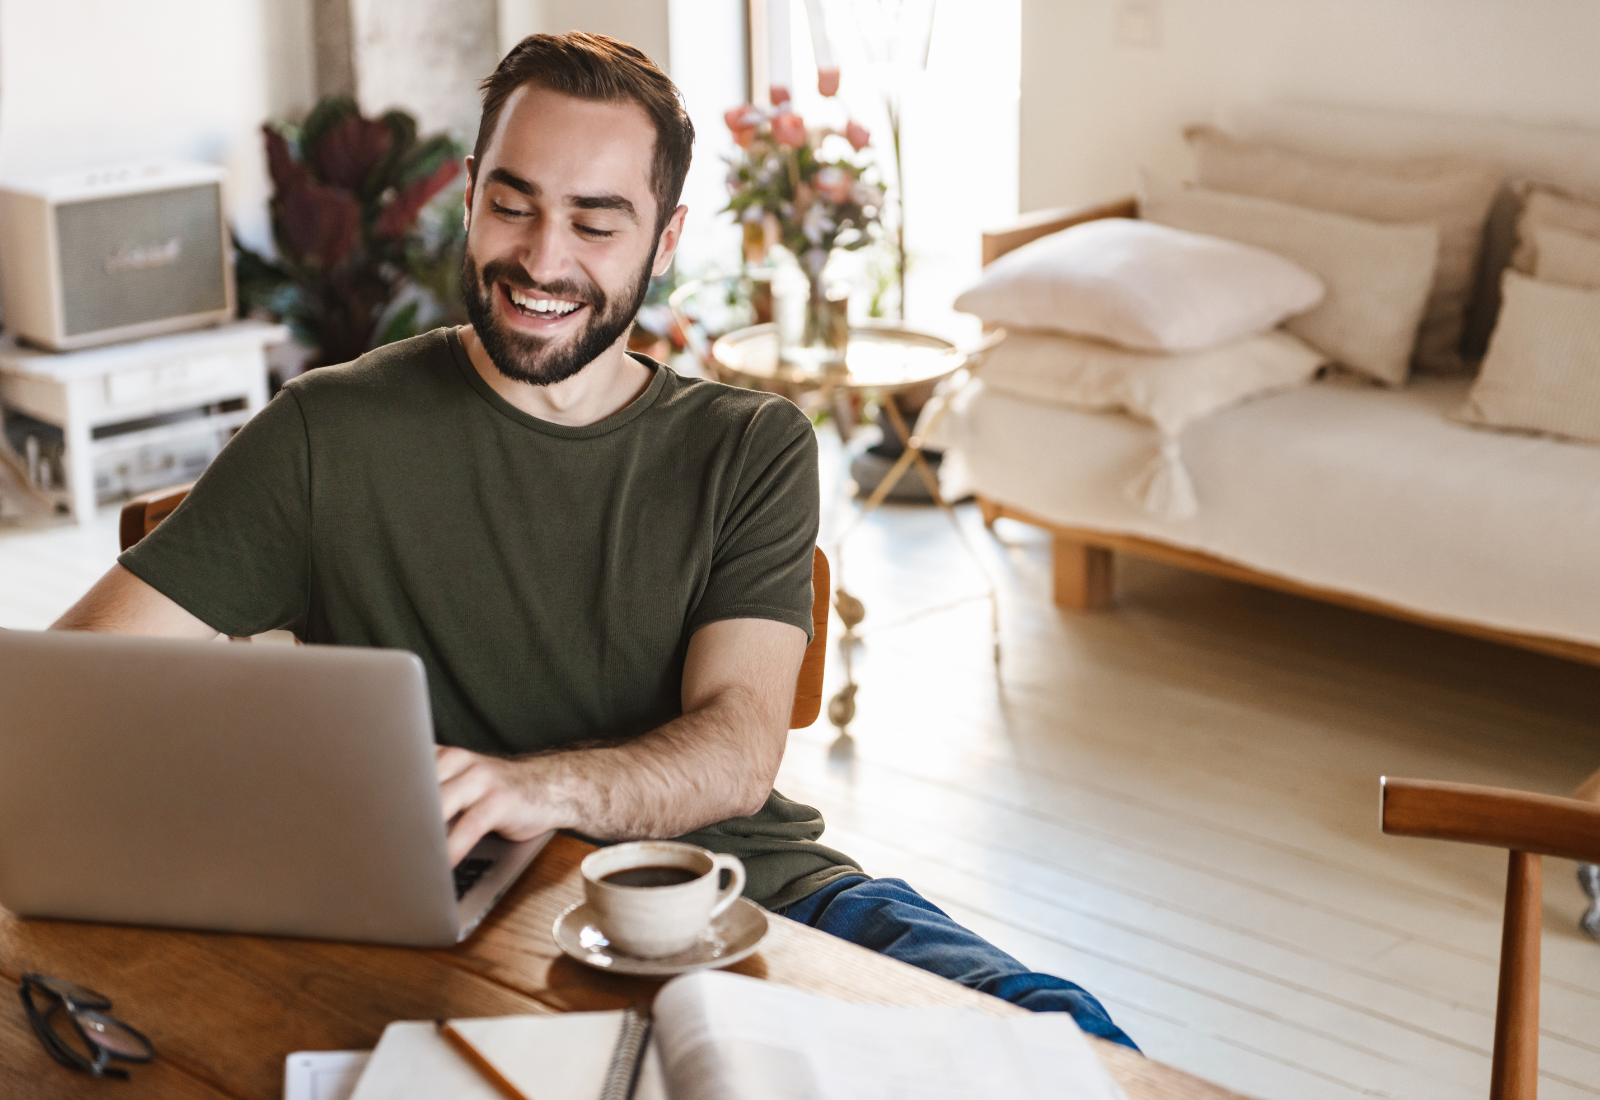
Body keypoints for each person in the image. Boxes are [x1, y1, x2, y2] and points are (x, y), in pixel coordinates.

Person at [53, 32, 1135, 1050]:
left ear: (664, 242)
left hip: (746, 892)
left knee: (1065, 1035)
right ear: (470, 197)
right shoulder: (325, 430)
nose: (541, 258)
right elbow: (74, 687)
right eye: (512, 205)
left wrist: (539, 788)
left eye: (595, 221)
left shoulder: (750, 445)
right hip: (464, 919)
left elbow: (739, 748)